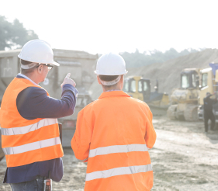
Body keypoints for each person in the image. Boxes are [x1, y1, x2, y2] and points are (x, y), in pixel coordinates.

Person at [0, 39, 78, 190]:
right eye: (49, 66)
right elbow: (66, 107)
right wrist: (68, 88)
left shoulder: (16, 88)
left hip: (23, 170)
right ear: (40, 67)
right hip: (31, 173)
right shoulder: (31, 93)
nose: (49, 70)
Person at [71, 53, 156, 191]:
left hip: (102, 187)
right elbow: (150, 141)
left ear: (98, 79)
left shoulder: (88, 112)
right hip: (137, 186)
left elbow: (81, 153)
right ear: (122, 77)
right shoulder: (142, 108)